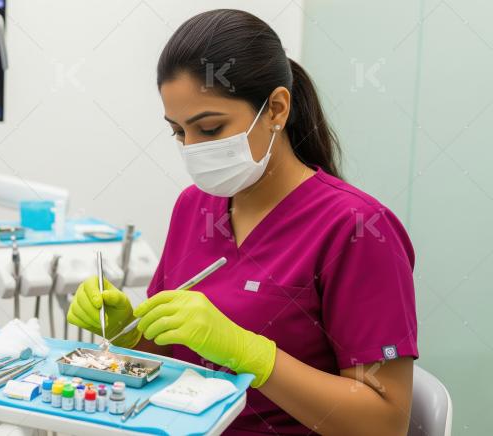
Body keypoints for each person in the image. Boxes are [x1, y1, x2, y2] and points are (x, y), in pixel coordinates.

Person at [68, 9, 417, 436]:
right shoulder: (194, 207)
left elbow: (384, 424)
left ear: (276, 109)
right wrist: (127, 331)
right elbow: (170, 353)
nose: (192, 149)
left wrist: (254, 355)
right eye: (179, 133)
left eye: (210, 129)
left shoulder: (358, 228)